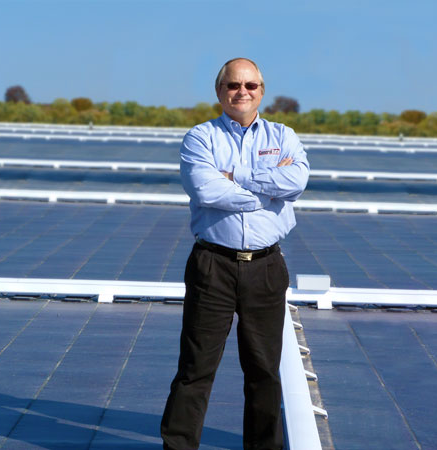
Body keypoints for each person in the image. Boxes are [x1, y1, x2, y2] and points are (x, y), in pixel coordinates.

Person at [161, 57, 309, 450]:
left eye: (250, 85)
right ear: (219, 91)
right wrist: (265, 194)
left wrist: (237, 177)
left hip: (265, 266)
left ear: (262, 90)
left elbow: (296, 182)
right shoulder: (200, 138)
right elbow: (205, 190)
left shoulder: (283, 135)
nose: (241, 92)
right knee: (196, 367)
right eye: (232, 85)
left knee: (264, 370)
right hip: (213, 266)